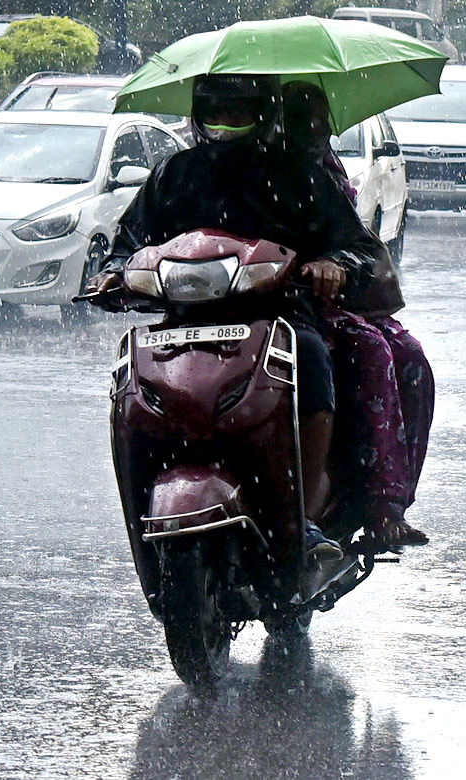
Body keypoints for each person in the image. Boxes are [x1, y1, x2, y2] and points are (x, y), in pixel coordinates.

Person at [87, 74, 378, 558]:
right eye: (216, 111)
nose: (226, 124)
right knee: (129, 385)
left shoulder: (298, 174)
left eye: (239, 112)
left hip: (276, 319)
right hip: (181, 327)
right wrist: (112, 274)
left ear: (262, 114)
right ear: (198, 115)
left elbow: (360, 249)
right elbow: (126, 246)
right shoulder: (172, 177)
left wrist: (334, 265)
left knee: (312, 357)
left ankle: (303, 520)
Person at [281, 82, 432, 547]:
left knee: (408, 356)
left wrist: (336, 266)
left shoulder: (320, 172)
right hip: (277, 306)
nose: (317, 130)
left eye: (320, 121)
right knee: (370, 351)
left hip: (325, 300)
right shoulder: (204, 172)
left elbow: (356, 242)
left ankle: (385, 504)